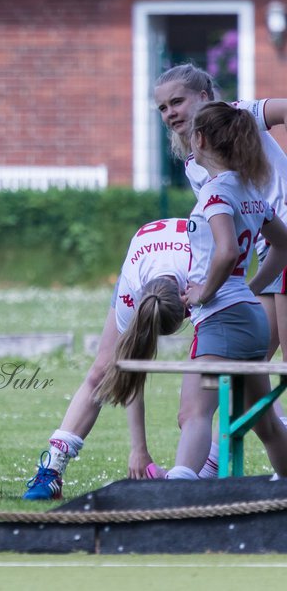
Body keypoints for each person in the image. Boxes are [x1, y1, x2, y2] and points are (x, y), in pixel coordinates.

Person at [100, 102, 287, 480]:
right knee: (264, 423)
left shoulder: (214, 195)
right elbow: (283, 244)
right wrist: (250, 287)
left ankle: (177, 498)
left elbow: (227, 250)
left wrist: (204, 293)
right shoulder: (251, 189)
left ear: (199, 140)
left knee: (193, 414)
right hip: (251, 319)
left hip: (221, 321)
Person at [21, 219, 191, 500]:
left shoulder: (203, 270)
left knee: (203, 387)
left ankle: (195, 473)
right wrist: (139, 448)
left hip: (201, 267)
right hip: (144, 259)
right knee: (102, 369)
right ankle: (51, 471)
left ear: (188, 301)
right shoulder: (133, 291)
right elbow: (129, 365)